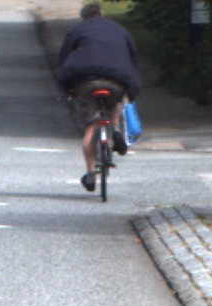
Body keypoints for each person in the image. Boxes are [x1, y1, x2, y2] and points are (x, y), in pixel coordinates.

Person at [55, 2, 141, 193]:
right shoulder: (118, 28)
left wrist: (67, 86)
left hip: (87, 81)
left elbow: (64, 58)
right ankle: (116, 129)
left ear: (83, 18)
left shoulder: (77, 30)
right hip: (116, 78)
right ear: (101, 15)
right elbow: (133, 55)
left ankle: (91, 173)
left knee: (91, 127)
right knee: (117, 99)